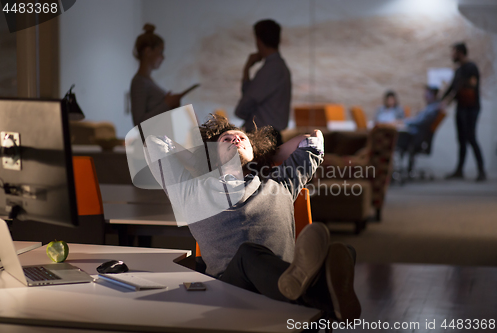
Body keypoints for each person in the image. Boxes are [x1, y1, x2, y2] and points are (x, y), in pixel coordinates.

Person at [144, 113, 361, 322]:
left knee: (342, 251)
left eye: (242, 138)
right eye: (226, 139)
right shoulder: (190, 191)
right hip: (232, 289)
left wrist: (263, 154)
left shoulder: (280, 184)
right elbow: (153, 144)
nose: (236, 138)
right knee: (248, 254)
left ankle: (308, 289)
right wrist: (198, 158)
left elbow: (312, 142)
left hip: (282, 281)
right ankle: (325, 298)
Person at [234, 19, 291, 146]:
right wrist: (247, 68)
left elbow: (246, 103)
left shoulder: (272, 69)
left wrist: (247, 67)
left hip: (263, 139)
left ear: (258, 41)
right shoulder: (278, 67)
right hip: (267, 136)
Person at [442, 42, 486, 182]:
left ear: (460, 52)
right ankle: (459, 170)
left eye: (453, 52)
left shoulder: (471, 67)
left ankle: (481, 171)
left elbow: (472, 84)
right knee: (461, 139)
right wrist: (440, 100)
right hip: (461, 107)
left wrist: (457, 88)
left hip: (471, 107)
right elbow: (451, 87)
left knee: (471, 137)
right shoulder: (458, 69)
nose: (452, 55)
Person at [130, 23, 183, 126]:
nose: (163, 57)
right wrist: (167, 104)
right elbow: (138, 124)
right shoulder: (139, 82)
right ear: (148, 51)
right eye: (160, 52)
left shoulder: (147, 81)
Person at [396, 86, 442, 174]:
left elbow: (419, 122)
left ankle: (397, 170)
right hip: (417, 136)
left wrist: (403, 122)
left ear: (433, 95)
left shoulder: (433, 109)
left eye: (427, 93)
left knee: (398, 139)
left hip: (416, 138)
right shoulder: (430, 107)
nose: (424, 96)